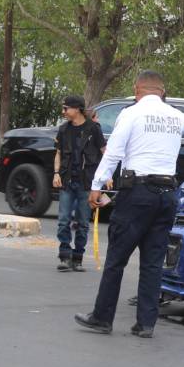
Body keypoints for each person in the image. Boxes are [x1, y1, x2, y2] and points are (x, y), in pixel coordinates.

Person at [74, 70, 184, 338]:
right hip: (167, 195)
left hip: (137, 194)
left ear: (137, 90)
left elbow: (114, 152)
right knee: (152, 261)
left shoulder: (130, 114)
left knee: (117, 258)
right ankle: (146, 324)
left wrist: (96, 185)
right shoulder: (177, 117)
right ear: (162, 91)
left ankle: (102, 318)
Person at [53, 95, 105, 272]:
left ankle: (78, 257)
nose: (64, 112)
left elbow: (105, 153)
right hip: (67, 181)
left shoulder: (93, 129)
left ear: (77, 109)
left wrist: (107, 176)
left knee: (83, 223)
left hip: (86, 184)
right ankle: (64, 255)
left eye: (66, 108)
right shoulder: (63, 130)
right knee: (63, 221)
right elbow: (58, 153)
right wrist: (56, 173)